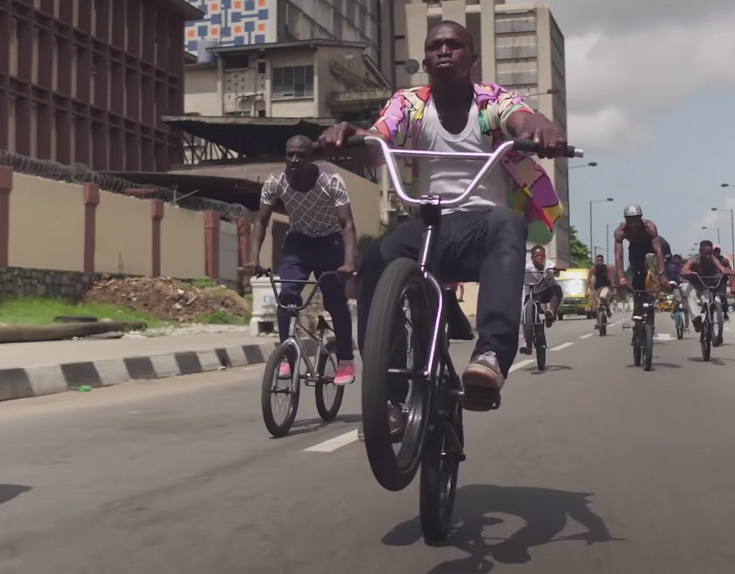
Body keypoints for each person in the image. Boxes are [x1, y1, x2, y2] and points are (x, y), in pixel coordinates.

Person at [320, 20, 569, 410]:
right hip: (429, 227)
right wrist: (350, 134)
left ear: (472, 59)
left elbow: (524, 119)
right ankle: (390, 397)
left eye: (454, 45)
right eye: (436, 46)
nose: (444, 51)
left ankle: (489, 357)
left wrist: (545, 129)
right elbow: (377, 139)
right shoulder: (409, 103)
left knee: (507, 223)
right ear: (426, 60)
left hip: (482, 230)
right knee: (374, 258)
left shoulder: (492, 101)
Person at [243, 135, 357, 384]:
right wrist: (253, 259)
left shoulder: (331, 181)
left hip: (330, 243)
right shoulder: (275, 182)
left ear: (311, 158)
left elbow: (347, 224)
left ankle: (347, 360)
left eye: (301, 155)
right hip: (299, 244)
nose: (294, 159)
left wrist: (348, 262)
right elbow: (261, 222)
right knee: (287, 298)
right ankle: (287, 355)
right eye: (290, 154)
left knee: (336, 303)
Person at [613, 204, 671, 315]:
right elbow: (618, 256)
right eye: (630, 221)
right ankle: (639, 302)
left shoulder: (649, 227)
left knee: (666, 257)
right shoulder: (620, 231)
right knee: (637, 273)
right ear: (625, 220)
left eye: (636, 220)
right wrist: (621, 279)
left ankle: (669, 283)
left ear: (641, 219)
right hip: (636, 247)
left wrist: (662, 274)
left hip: (652, 243)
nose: (633, 224)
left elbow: (658, 251)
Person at [679, 240, 735, 332]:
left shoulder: (713, 259)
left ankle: (714, 328)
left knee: (711, 301)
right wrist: (690, 272)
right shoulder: (694, 259)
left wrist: (732, 273)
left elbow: (722, 268)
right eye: (705, 253)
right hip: (691, 284)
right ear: (700, 251)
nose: (708, 256)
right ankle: (696, 319)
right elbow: (684, 270)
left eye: (710, 253)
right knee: (691, 295)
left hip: (704, 286)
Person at [520, 245, 563, 355]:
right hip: (532, 294)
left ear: (544, 257)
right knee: (526, 316)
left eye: (541, 256)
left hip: (546, 293)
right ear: (532, 257)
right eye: (537, 256)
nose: (539, 258)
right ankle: (527, 344)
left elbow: (555, 270)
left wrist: (557, 269)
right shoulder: (527, 268)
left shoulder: (548, 264)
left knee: (557, 289)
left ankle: (551, 312)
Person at [586, 254, 615, 319]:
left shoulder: (607, 268)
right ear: (596, 261)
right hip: (597, 288)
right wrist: (587, 290)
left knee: (603, 297)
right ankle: (599, 320)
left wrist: (614, 288)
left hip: (605, 286)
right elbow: (589, 279)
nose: (599, 261)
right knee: (597, 305)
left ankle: (607, 309)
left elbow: (611, 278)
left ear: (603, 261)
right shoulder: (593, 268)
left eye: (601, 260)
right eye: (598, 260)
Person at [712, 245, 733, 321]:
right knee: (709, 297)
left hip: (722, 281)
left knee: (723, 297)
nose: (716, 252)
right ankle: (707, 311)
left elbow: (729, 269)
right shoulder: (709, 260)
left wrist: (731, 281)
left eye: (718, 250)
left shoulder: (724, 260)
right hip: (711, 282)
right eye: (715, 251)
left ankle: (725, 313)